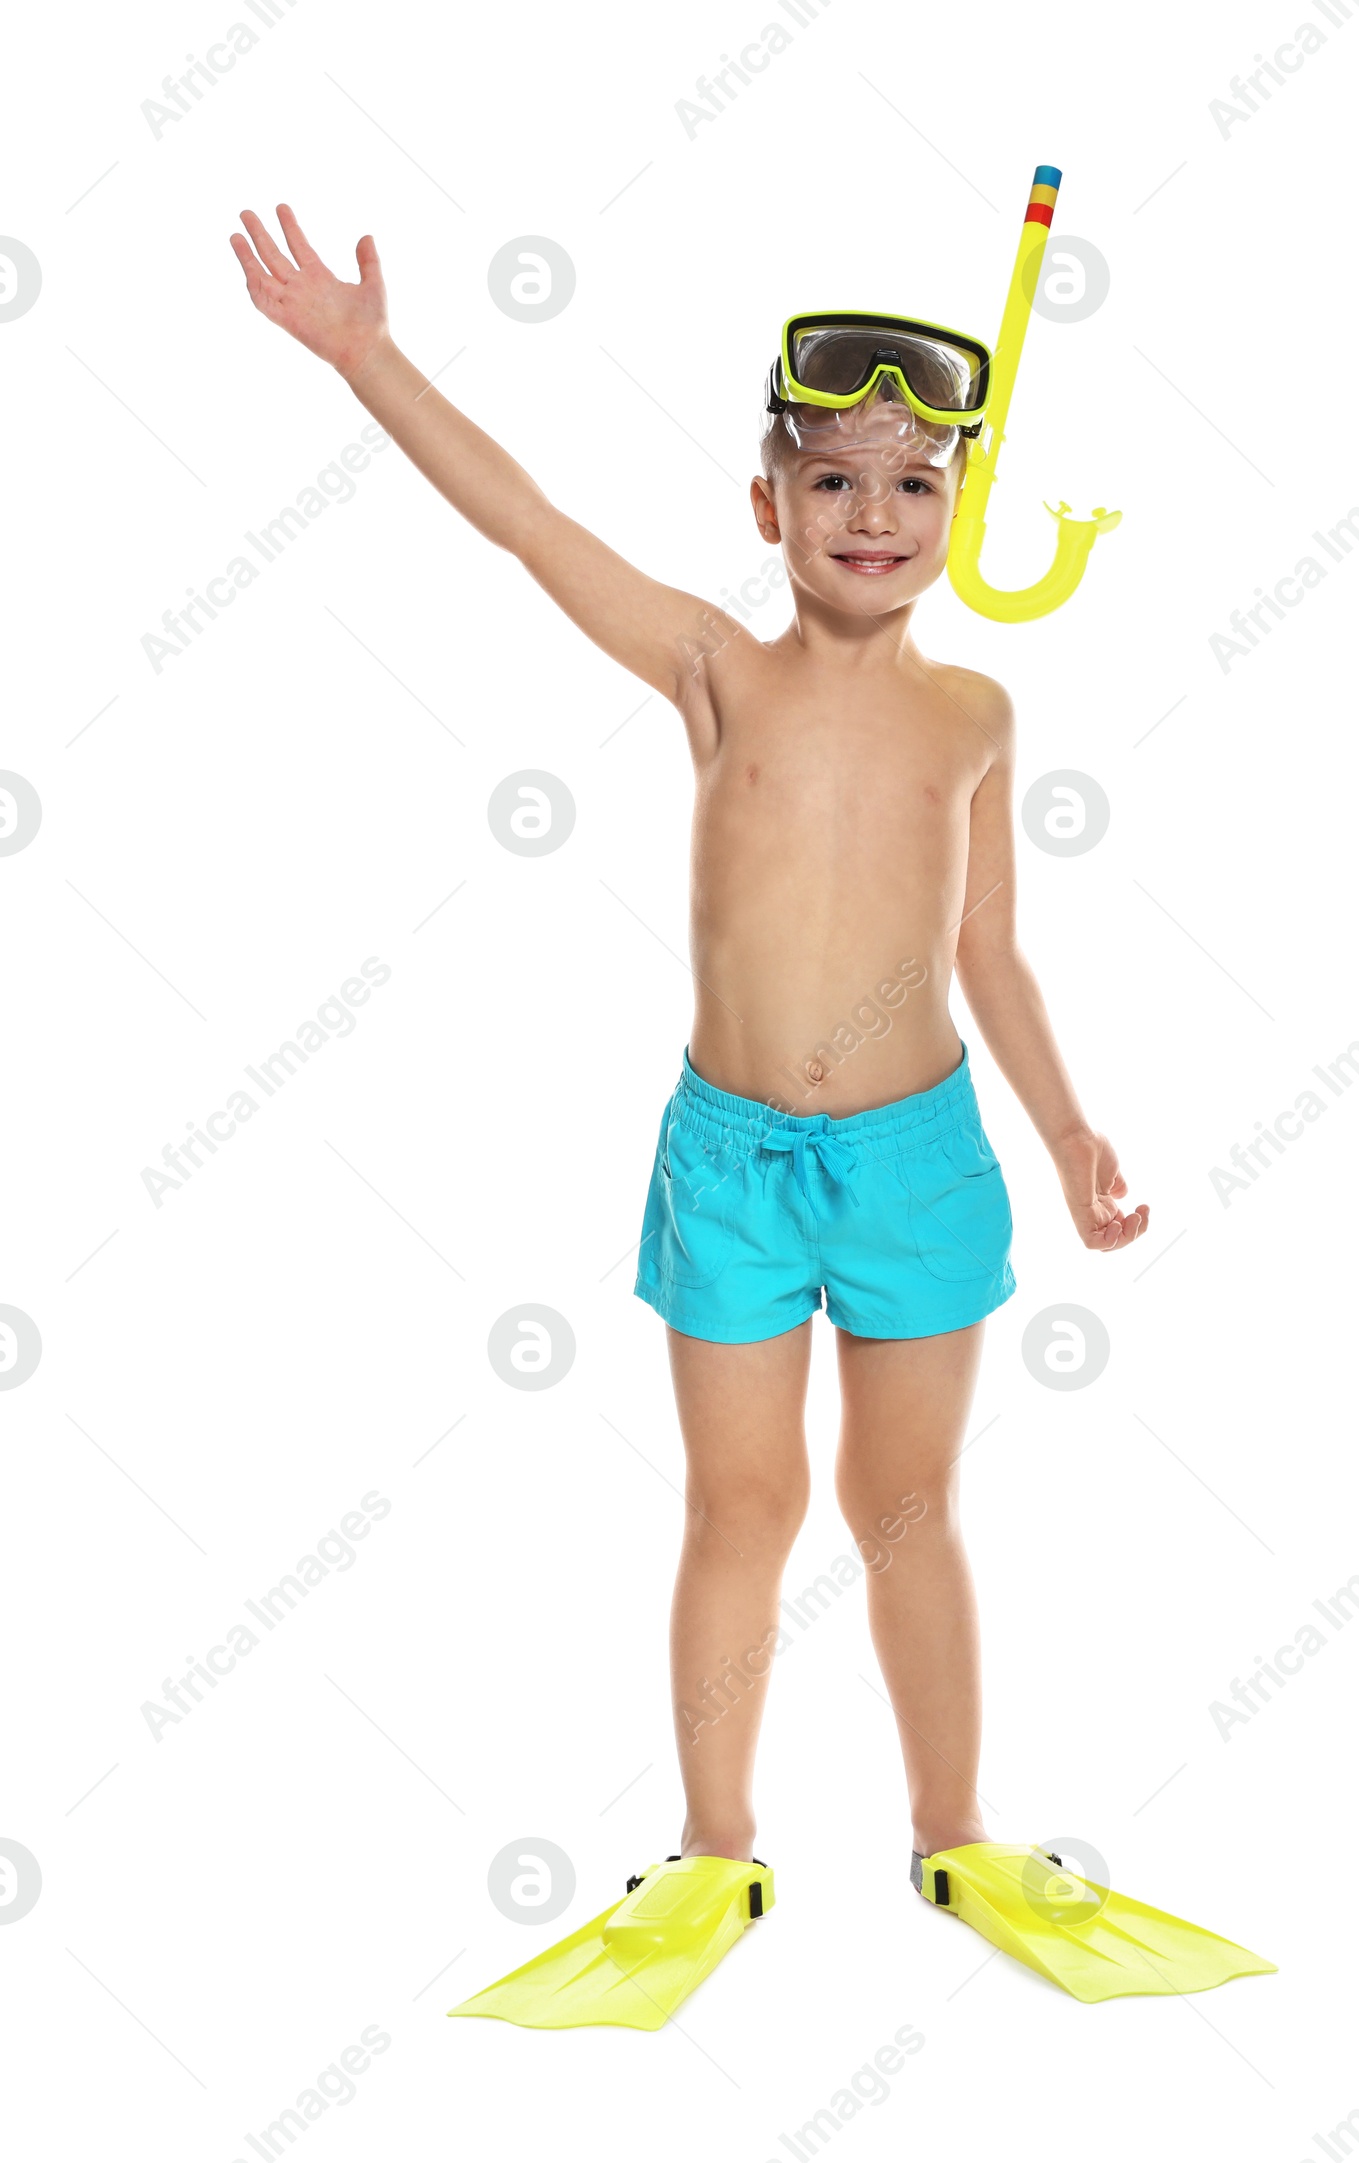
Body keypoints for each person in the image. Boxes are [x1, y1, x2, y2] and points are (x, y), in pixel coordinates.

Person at [233, 209, 1276, 2026]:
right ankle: (716, 1852)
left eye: (913, 485)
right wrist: (367, 358)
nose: (873, 515)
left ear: (961, 514)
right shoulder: (717, 669)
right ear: (766, 505)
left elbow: (993, 950)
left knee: (908, 1507)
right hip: (728, 1168)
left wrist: (1072, 1130)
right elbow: (531, 523)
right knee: (740, 1504)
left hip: (918, 1162)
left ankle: (956, 1833)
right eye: (832, 480)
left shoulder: (975, 711)